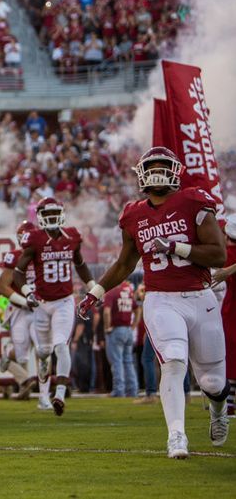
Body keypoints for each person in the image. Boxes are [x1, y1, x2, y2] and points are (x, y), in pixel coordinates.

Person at [80, 147, 230, 458]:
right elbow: (124, 264)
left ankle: (218, 412)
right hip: (161, 298)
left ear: (175, 172)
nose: (158, 171)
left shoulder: (193, 201)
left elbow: (218, 254)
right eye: (153, 166)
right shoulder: (134, 214)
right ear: (141, 174)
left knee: (213, 382)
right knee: (173, 361)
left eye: (164, 166)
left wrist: (177, 247)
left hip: (200, 297)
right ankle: (176, 435)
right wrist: (96, 292)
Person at [13, 197, 95, 416]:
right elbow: (18, 272)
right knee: (43, 352)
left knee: (61, 345)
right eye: (46, 215)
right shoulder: (35, 239)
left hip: (64, 302)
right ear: (40, 217)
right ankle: (42, 395)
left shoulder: (72, 237)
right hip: (40, 303)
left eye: (54, 214)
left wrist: (93, 286)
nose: (51, 219)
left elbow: (80, 264)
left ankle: (58, 393)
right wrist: (27, 293)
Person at [0, 221, 38, 400]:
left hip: (40, 307)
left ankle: (42, 391)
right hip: (20, 308)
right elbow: (2, 286)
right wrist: (24, 300)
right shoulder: (13, 256)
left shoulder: (43, 255)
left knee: (44, 349)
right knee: (22, 353)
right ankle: (25, 384)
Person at [210, 214, 236, 417]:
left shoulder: (227, 253)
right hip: (230, 307)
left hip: (231, 310)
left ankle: (229, 403)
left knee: (230, 357)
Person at [103, 282, 140, 397]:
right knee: (128, 361)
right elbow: (138, 309)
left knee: (117, 362)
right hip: (128, 330)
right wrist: (134, 325)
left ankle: (119, 390)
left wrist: (107, 327)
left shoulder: (110, 293)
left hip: (116, 329)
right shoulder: (127, 293)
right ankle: (133, 390)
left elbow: (106, 312)